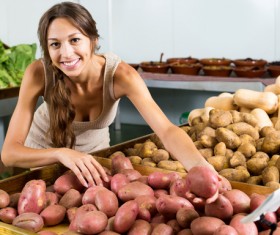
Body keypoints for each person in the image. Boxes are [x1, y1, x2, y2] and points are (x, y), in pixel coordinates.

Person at [1, 1, 220, 188]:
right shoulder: (39, 72)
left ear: (93, 40)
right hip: (44, 154)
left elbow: (167, 130)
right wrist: (60, 153)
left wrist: (203, 169)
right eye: (55, 44)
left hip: (96, 158)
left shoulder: (120, 75)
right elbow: (9, 153)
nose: (66, 53)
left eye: (75, 40)